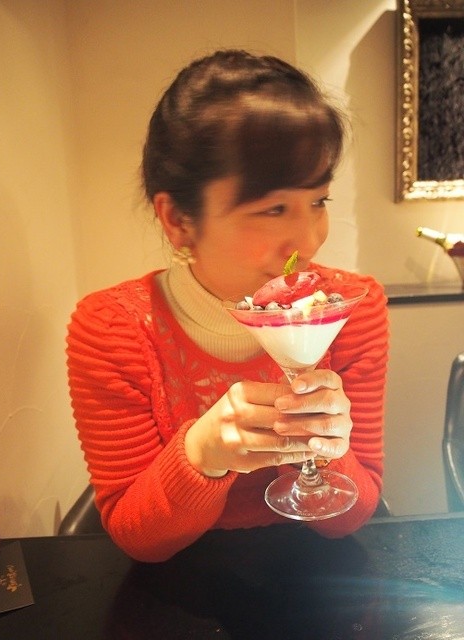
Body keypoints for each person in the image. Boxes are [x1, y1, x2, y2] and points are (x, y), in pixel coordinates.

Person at [66, 49, 389, 562]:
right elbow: (137, 537)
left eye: (319, 201)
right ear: (178, 219)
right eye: (273, 209)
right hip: (175, 583)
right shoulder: (112, 329)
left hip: (318, 572)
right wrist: (202, 455)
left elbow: (352, 516)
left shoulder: (351, 309)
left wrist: (324, 447)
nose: (309, 241)